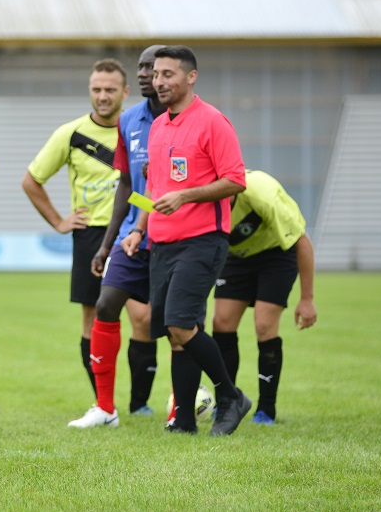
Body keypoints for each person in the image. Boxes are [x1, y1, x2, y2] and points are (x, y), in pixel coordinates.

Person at [121, 45, 252, 436]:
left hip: (202, 240)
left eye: (168, 74)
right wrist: (139, 229)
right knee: (177, 333)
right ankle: (184, 420)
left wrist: (186, 196)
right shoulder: (159, 126)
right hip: (161, 242)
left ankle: (230, 396)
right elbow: (155, 186)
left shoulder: (213, 122)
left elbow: (235, 180)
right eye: (155, 74)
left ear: (191, 77)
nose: (158, 81)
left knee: (180, 323)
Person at [21, 59, 131, 424]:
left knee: (145, 318)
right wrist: (59, 221)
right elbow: (31, 180)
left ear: (125, 92)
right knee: (92, 318)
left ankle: (141, 402)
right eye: (96, 89)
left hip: (133, 232)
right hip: (91, 236)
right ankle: (104, 404)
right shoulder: (71, 133)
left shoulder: (136, 130)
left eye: (110, 89)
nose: (103, 96)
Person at [75, 46, 167, 428]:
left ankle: (182, 402)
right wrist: (106, 244)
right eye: (142, 67)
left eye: (153, 68)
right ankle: (105, 408)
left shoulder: (191, 120)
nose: (146, 74)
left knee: (173, 322)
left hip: (177, 236)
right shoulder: (128, 121)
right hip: (132, 237)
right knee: (106, 304)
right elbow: (127, 185)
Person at [212, 169, 318, 424]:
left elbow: (302, 241)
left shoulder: (261, 192)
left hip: (276, 255)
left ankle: (266, 409)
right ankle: (227, 402)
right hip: (236, 258)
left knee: (264, 325)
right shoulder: (202, 199)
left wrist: (307, 299)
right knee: (221, 322)